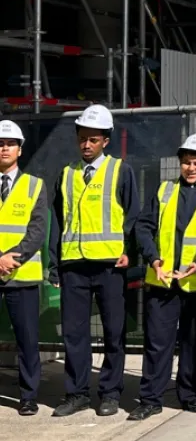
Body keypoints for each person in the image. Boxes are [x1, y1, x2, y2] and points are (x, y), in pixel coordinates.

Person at [49, 104, 139, 418]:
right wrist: (54, 260)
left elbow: (132, 215)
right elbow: (58, 220)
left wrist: (130, 250)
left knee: (114, 332)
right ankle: (76, 394)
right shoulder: (67, 173)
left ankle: (110, 394)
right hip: (73, 264)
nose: (87, 145)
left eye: (94, 139)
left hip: (110, 265)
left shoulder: (120, 170)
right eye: (83, 138)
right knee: (74, 333)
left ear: (106, 141)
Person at [130, 133, 196, 421]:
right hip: (163, 280)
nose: (192, 168)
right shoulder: (164, 191)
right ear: (180, 163)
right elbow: (143, 227)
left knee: (194, 343)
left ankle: (190, 395)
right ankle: (150, 398)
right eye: (187, 163)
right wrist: (153, 258)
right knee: (157, 343)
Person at [0, 120, 45, 416]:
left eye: (9, 144)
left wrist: (10, 258)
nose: (4, 148)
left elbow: (38, 230)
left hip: (22, 275)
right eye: (0, 144)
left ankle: (28, 395)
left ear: (20, 149)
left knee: (27, 339)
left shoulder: (34, 185)